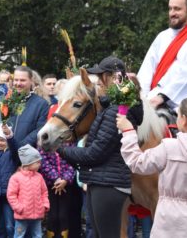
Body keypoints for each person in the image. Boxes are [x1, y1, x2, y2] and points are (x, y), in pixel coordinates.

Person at [56, 56, 144, 238]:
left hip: (108, 185)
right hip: (102, 182)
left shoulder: (115, 112)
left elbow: (94, 154)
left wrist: (61, 149)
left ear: (111, 78)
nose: (98, 83)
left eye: (100, 77)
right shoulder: (110, 108)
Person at [117, 95, 187, 237]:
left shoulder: (169, 148)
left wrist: (128, 132)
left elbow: (136, 163)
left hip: (168, 224)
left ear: (184, 120)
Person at [7, 144, 50, 238]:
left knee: (38, 235)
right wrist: (18, 208)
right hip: (22, 215)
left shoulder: (39, 177)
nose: (40, 164)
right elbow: (11, 195)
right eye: (37, 162)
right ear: (27, 163)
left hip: (37, 214)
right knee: (19, 235)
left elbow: (44, 192)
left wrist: (45, 205)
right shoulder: (16, 178)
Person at [7, 66, 49, 149]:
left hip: (27, 154)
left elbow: (40, 130)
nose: (18, 83)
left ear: (31, 81)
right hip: (6, 152)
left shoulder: (41, 103)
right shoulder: (8, 101)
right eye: (16, 80)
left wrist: (19, 147)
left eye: (22, 80)